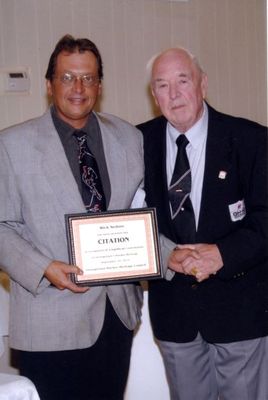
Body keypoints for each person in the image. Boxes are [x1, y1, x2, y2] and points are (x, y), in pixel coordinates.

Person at [0, 34, 144, 400]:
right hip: (49, 321)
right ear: (49, 85)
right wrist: (44, 267)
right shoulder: (11, 145)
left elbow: (139, 217)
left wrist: (173, 255)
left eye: (88, 77)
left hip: (115, 317)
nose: (78, 87)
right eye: (67, 77)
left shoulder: (129, 137)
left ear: (100, 84)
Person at [137, 47, 268, 400]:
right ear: (154, 95)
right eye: (162, 85)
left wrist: (222, 254)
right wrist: (165, 255)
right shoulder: (136, 143)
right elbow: (128, 221)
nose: (174, 94)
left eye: (183, 80)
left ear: (203, 84)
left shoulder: (251, 140)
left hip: (239, 310)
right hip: (175, 315)